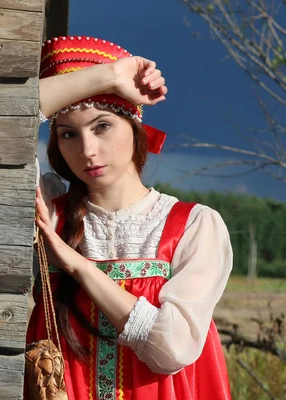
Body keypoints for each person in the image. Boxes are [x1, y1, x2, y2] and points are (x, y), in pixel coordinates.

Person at [27, 36, 233, 400]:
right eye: (68, 134)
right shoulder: (50, 208)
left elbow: (171, 350)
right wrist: (108, 76)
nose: (87, 150)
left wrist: (80, 268)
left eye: (102, 126)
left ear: (134, 125)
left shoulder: (194, 226)